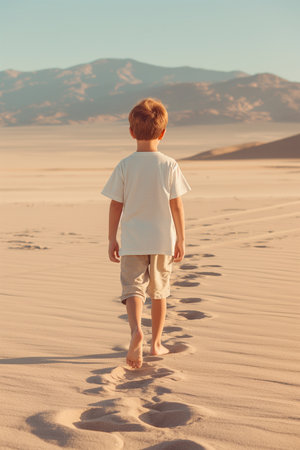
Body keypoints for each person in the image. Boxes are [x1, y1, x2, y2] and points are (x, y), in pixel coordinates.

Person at [101, 98, 191, 369]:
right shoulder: (169, 165)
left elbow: (116, 203)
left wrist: (111, 238)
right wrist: (182, 239)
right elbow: (176, 204)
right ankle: (156, 343)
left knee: (133, 289)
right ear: (163, 133)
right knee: (159, 291)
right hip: (163, 239)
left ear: (131, 132)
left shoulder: (125, 165)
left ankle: (135, 331)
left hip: (132, 240)